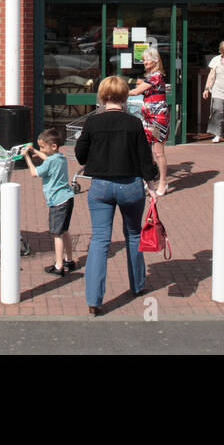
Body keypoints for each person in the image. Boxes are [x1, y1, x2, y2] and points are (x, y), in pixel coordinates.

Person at [75, 76, 158, 316]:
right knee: (133, 235)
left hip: (100, 186)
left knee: (100, 239)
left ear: (102, 96)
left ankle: (94, 299)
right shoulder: (134, 123)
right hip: (130, 185)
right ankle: (138, 285)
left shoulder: (92, 122)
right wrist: (152, 186)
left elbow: (81, 156)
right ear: (124, 96)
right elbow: (145, 159)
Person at [22, 129, 77, 276]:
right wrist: (34, 150)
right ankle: (69, 260)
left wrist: (27, 157)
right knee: (65, 230)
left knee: (56, 234)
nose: (41, 150)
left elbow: (34, 173)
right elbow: (47, 159)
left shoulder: (50, 162)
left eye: (43, 147)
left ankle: (59, 266)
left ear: (53, 146)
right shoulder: (60, 158)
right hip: (68, 198)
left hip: (57, 202)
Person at [128, 47, 170, 196]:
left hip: (157, 118)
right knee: (149, 152)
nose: (145, 61)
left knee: (158, 153)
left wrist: (116, 90)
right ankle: (151, 180)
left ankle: (163, 182)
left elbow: (135, 91)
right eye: (144, 59)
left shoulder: (156, 76)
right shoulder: (150, 76)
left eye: (148, 59)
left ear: (156, 60)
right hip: (148, 117)